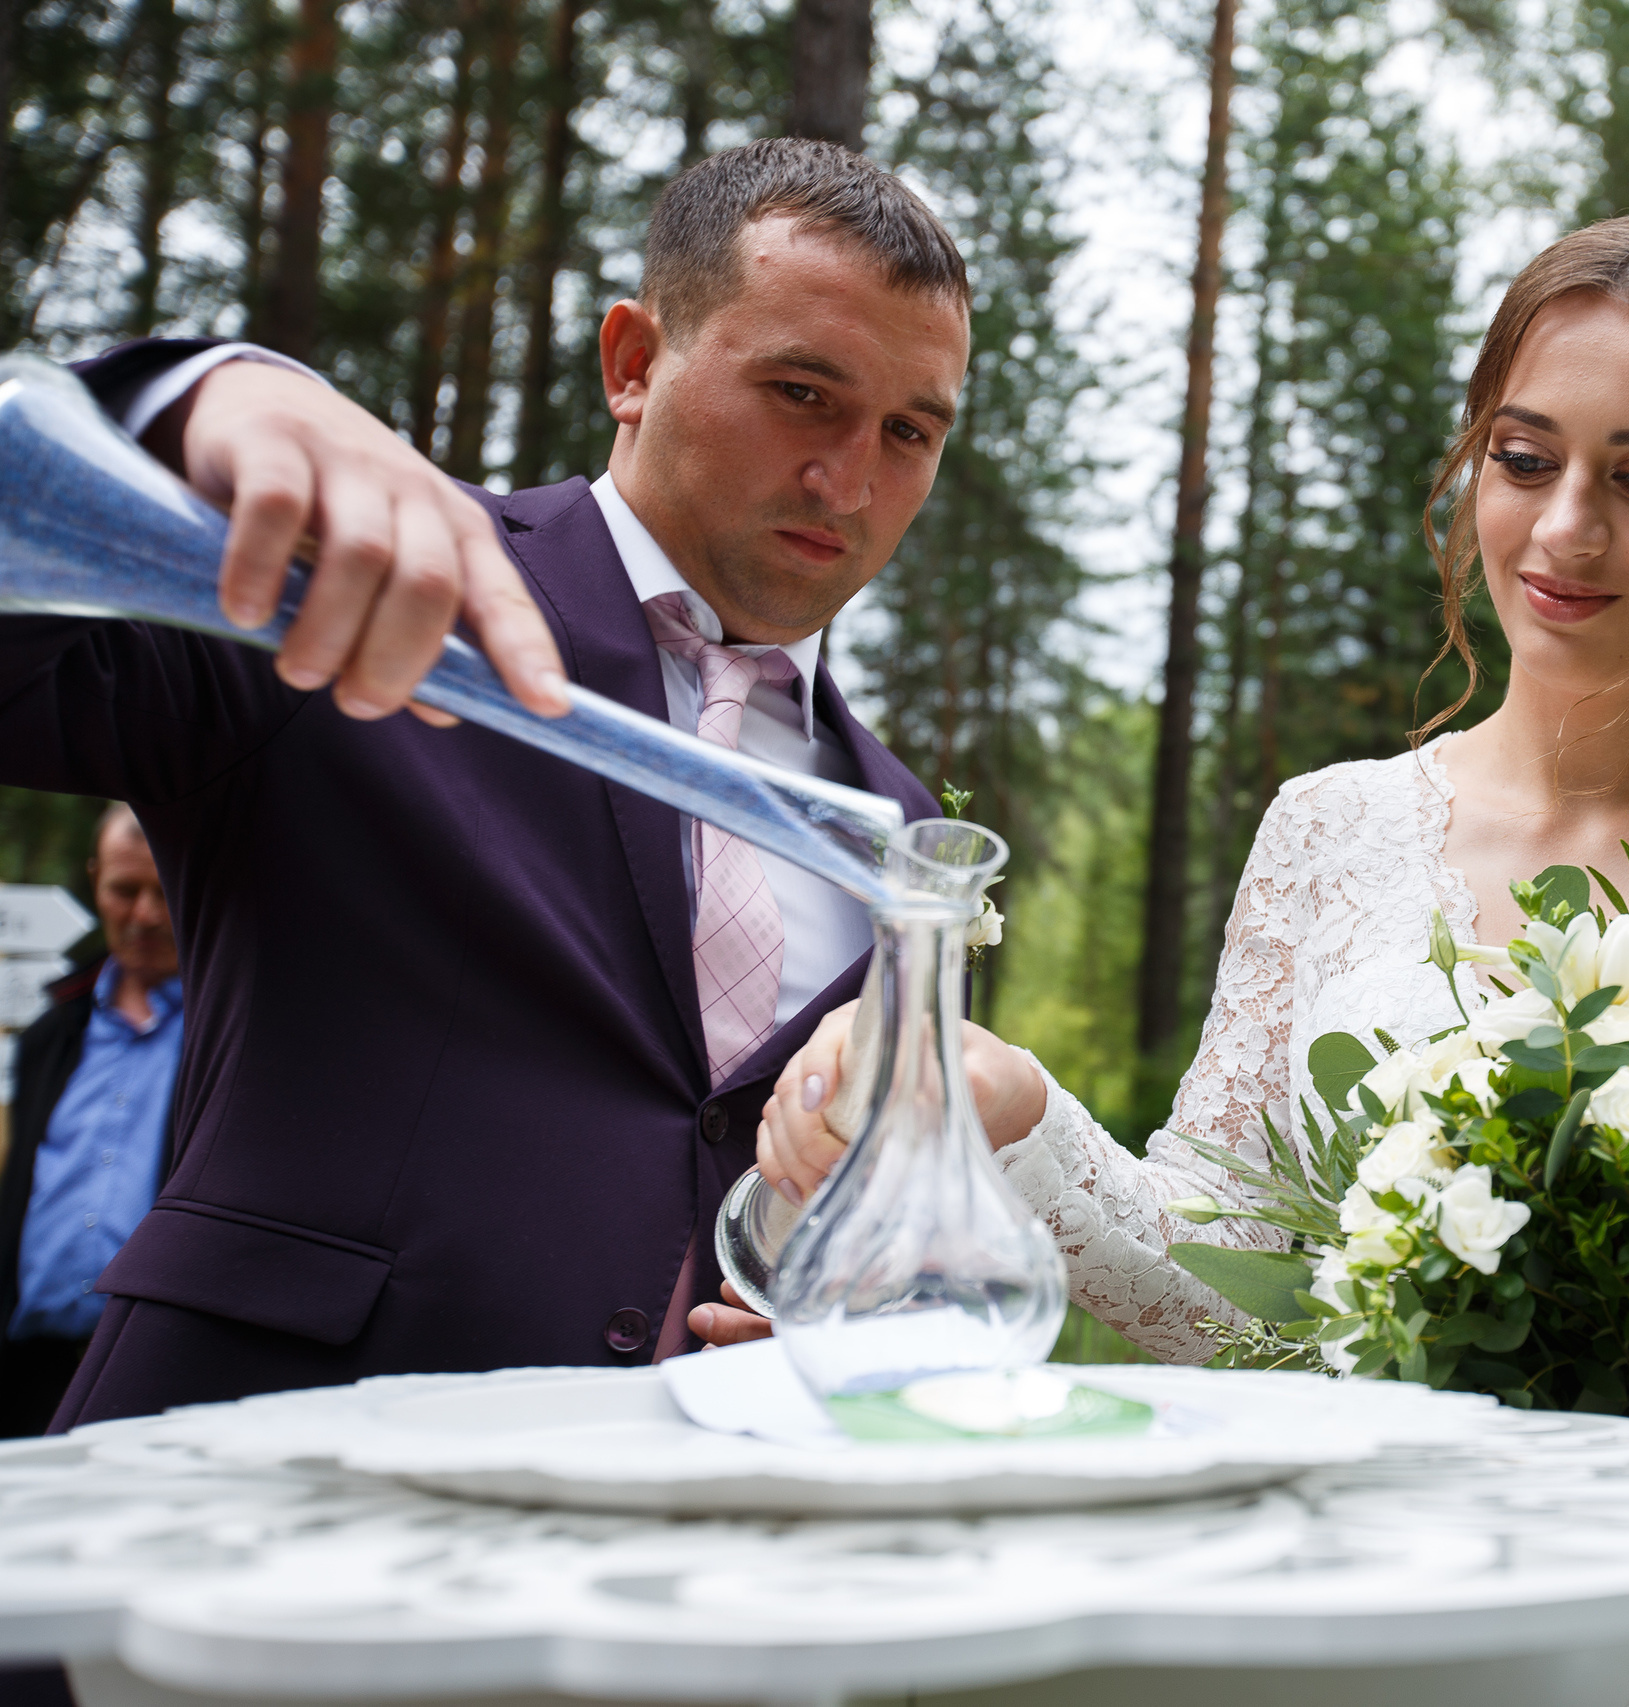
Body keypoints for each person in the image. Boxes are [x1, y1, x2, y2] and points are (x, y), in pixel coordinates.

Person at [746, 216, 1629, 1707]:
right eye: (1525, 460)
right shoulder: (1327, 832)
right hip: (1344, 1618)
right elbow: (1227, 1281)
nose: (1564, 531)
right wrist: (1010, 1104)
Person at [0, 138, 966, 1430]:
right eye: (802, 392)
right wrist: (192, 398)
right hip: (264, 1480)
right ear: (634, 362)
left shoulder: (899, 821)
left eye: (910, 431)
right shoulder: (369, 580)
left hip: (684, 1543)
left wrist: (836, 1292)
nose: (850, 479)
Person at [0, 806, 182, 1436]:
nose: (145, 917)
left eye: (165, 892)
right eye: (124, 891)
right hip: (30, 1374)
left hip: (163, 1376)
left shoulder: (233, 1032)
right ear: (93, 878)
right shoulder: (53, 1031)